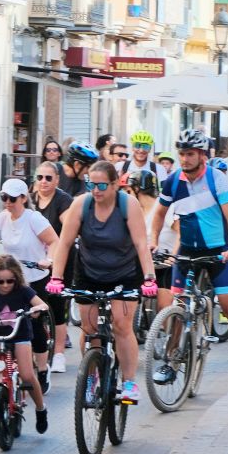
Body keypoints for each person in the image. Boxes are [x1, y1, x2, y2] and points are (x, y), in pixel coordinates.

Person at [149, 128, 228, 390]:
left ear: (202, 155)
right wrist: (153, 240)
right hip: (187, 251)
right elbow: (159, 214)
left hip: (218, 251)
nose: (185, 159)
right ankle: (170, 362)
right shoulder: (173, 180)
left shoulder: (216, 179)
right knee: (177, 306)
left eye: (190, 154)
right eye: (182, 154)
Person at [46, 161, 159, 405]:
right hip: (89, 271)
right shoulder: (81, 204)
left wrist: (149, 278)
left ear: (115, 184)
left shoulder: (128, 205)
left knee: (121, 325)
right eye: (91, 185)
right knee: (89, 329)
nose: (95, 190)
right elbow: (64, 243)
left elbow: (141, 244)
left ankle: (129, 383)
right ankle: (91, 375)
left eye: (101, 185)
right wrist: (56, 277)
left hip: (124, 273)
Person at [0, 178, 60, 391]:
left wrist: (48, 260)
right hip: (10, 280)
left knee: (34, 325)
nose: (7, 202)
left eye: (12, 198)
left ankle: (42, 370)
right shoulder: (2, 218)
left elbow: (54, 241)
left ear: (23, 198)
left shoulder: (33, 219)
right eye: (4, 197)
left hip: (34, 279)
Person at [0, 255, 49, 438]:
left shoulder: (24, 291)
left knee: (27, 375)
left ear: (16, 278)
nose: (5, 285)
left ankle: (41, 409)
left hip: (20, 336)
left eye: (10, 281)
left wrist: (36, 309)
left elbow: (42, 305)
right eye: (0, 281)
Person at [31, 161, 74, 370]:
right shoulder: (29, 199)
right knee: (32, 307)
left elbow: (69, 228)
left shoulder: (62, 200)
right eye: (40, 177)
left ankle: (58, 355)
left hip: (60, 261)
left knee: (57, 307)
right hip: (34, 262)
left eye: (48, 178)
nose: (44, 182)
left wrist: (54, 256)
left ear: (57, 180)